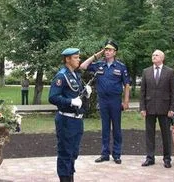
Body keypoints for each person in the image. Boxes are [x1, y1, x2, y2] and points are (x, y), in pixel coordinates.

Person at [79, 40, 131, 164]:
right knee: (105, 128)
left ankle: (117, 154)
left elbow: (127, 84)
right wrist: (98, 54)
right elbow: (83, 66)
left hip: (115, 100)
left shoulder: (120, 66)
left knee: (116, 128)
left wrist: (126, 101)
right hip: (103, 100)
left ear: (115, 52)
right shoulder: (99, 65)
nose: (107, 52)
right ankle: (104, 154)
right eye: (106, 50)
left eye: (110, 50)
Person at [49, 48, 92, 182]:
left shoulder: (75, 75)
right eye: (76, 57)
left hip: (76, 120)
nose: (79, 60)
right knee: (65, 154)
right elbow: (53, 97)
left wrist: (86, 93)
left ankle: (70, 178)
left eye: (78, 57)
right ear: (67, 59)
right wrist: (70, 101)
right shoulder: (61, 76)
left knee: (73, 153)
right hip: (66, 120)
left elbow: (76, 93)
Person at [140, 49, 174, 168]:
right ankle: (150, 157)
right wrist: (142, 107)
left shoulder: (170, 72)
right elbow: (142, 92)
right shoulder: (146, 71)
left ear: (162, 58)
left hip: (165, 108)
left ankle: (167, 158)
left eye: (156, 55)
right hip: (149, 107)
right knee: (149, 134)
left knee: (166, 134)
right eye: (153, 55)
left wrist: (172, 108)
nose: (154, 57)